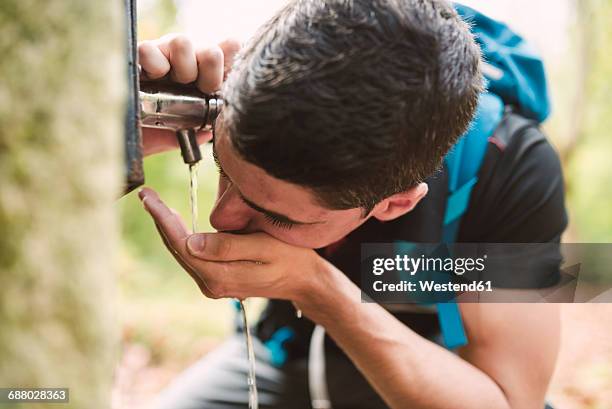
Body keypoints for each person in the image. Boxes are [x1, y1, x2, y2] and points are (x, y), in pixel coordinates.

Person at [136, 1, 567, 408]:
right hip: (283, 355)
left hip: (437, 369)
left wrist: (317, 288)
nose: (221, 218)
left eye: (278, 216)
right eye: (223, 169)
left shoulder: (512, 170)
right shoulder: (267, 86)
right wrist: (126, 136)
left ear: (395, 204)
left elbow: (510, 400)